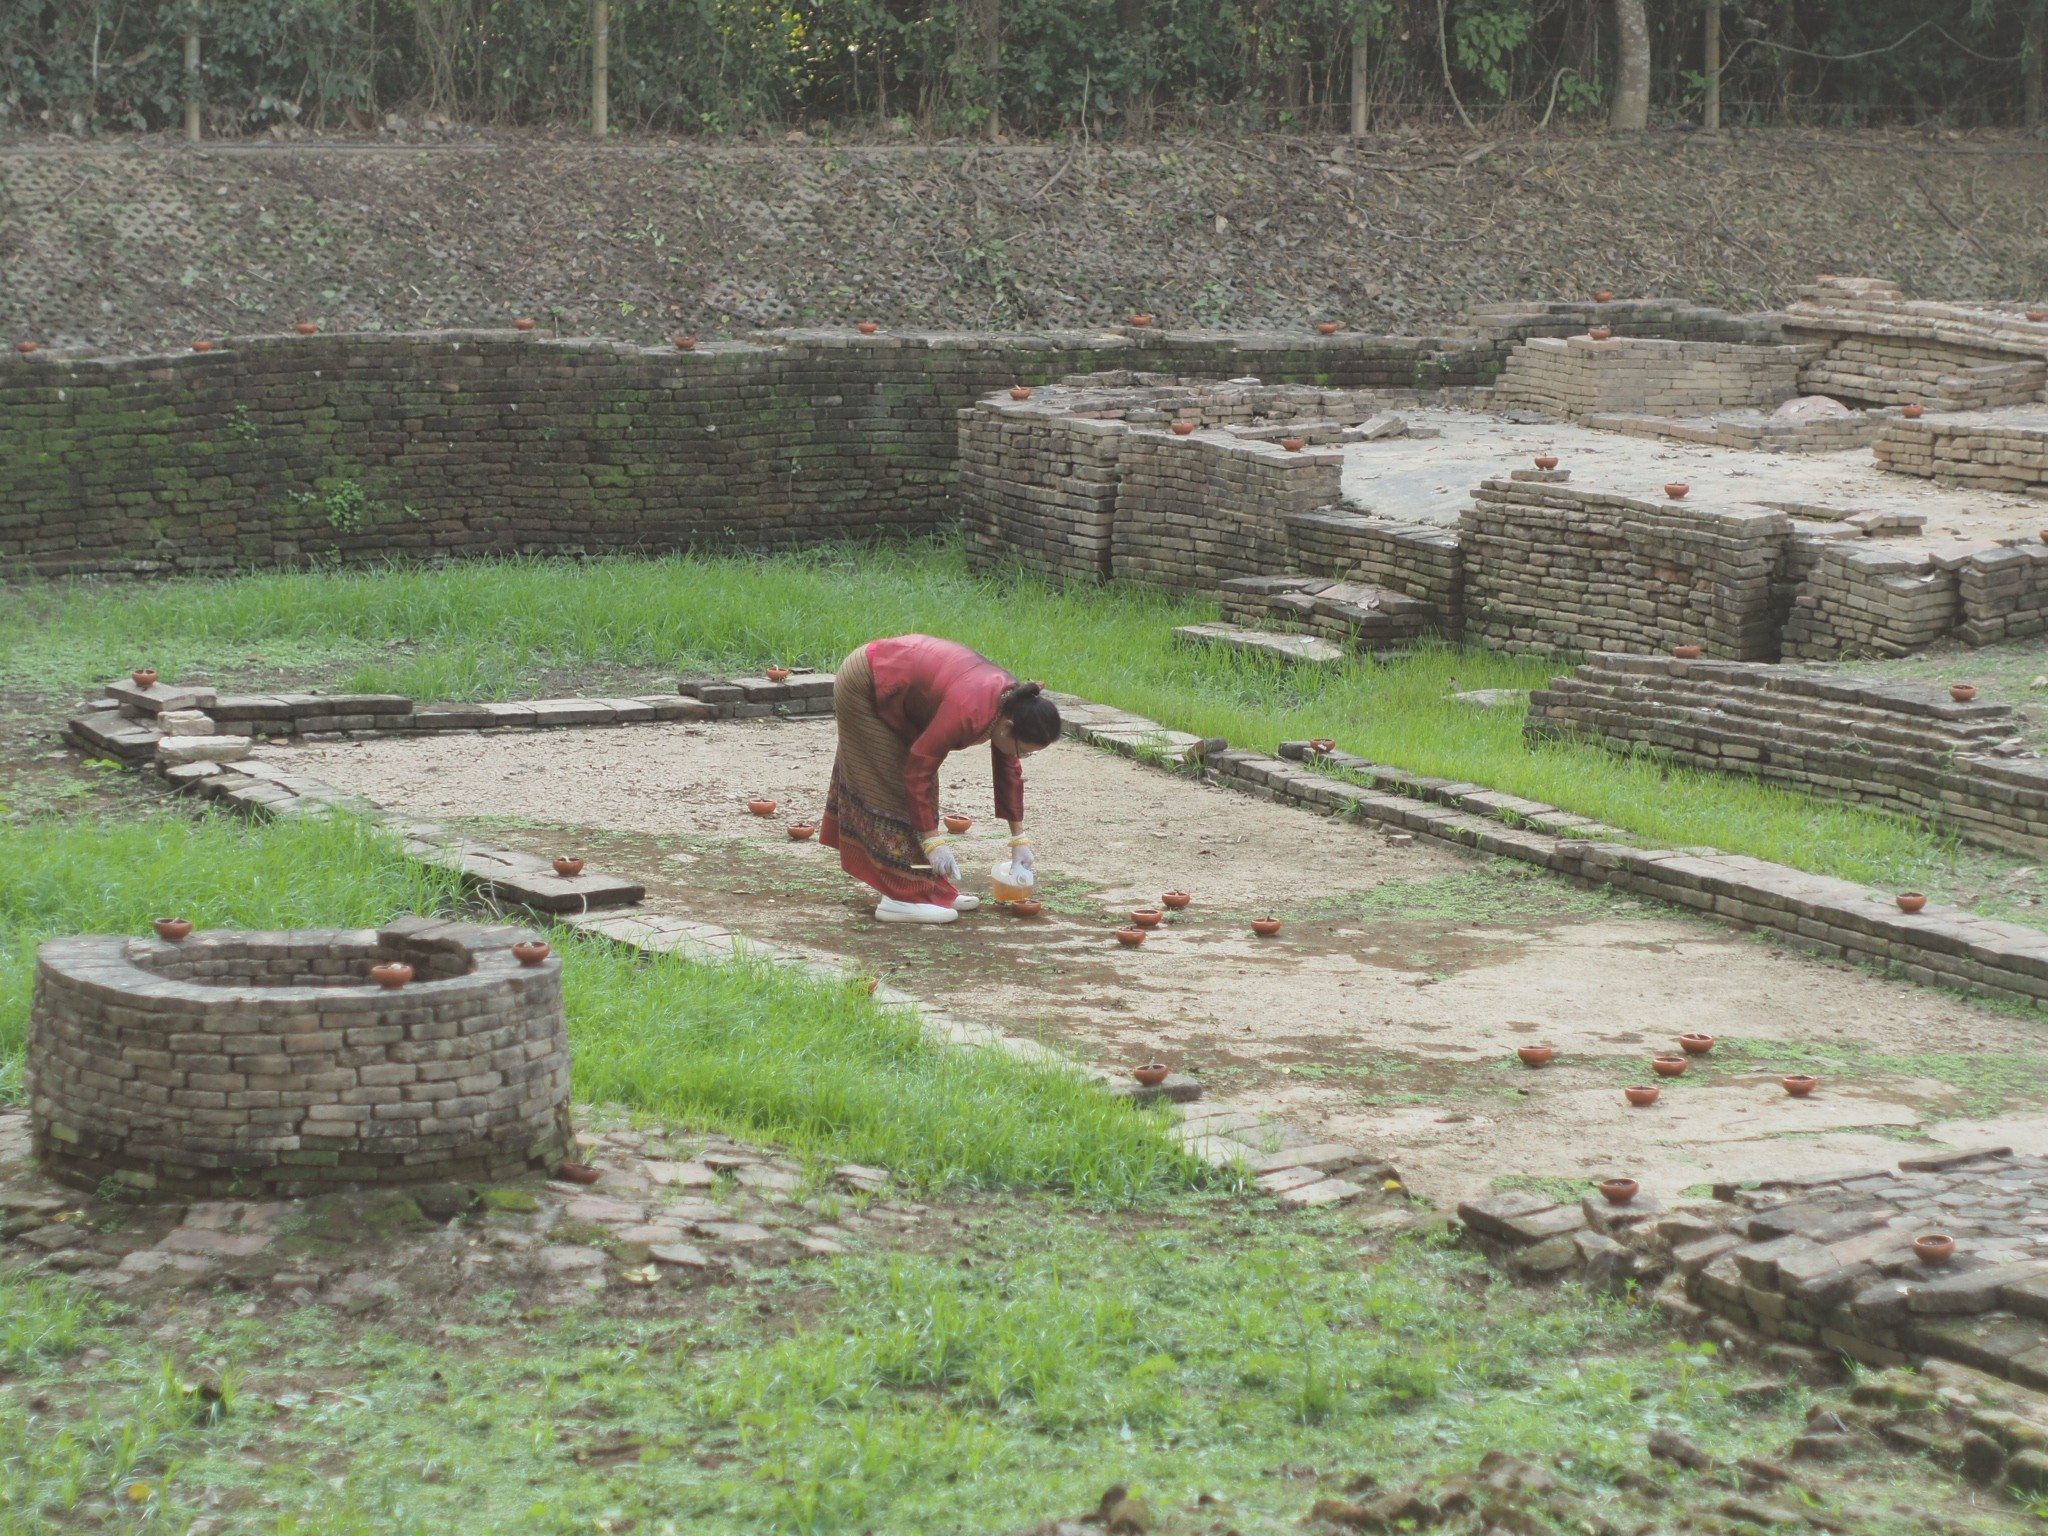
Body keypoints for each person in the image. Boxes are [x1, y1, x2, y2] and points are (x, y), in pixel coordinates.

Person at [820, 634, 1062, 924]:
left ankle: (926, 888)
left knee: (922, 796)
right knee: (891, 788)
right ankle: (899, 897)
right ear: (1008, 728)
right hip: (868, 682)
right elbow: (917, 771)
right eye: (1024, 751)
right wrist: (933, 841)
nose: (1022, 757)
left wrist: (1018, 839)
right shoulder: (969, 710)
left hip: (900, 685)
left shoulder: (1010, 705)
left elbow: (1009, 770)